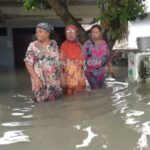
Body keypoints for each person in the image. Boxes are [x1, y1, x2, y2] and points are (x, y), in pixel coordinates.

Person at [24, 22, 62, 102]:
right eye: (37, 31)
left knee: (55, 103)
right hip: (40, 80)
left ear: (47, 33)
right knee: (40, 104)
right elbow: (28, 63)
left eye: (40, 31)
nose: (37, 34)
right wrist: (35, 78)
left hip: (54, 80)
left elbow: (58, 61)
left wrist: (62, 77)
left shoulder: (54, 44)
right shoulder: (33, 45)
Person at [60, 24, 86, 95]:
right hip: (68, 82)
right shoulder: (63, 47)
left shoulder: (80, 46)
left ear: (76, 33)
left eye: (72, 31)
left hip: (80, 81)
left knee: (81, 102)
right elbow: (60, 66)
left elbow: (84, 65)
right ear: (65, 34)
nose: (70, 34)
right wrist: (62, 80)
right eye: (68, 32)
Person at [83, 25, 110, 89]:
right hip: (90, 72)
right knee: (94, 88)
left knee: (100, 90)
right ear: (91, 33)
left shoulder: (104, 43)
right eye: (93, 32)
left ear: (100, 33)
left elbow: (108, 57)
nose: (95, 34)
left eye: (96, 32)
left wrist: (110, 69)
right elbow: (83, 58)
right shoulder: (87, 44)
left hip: (102, 71)